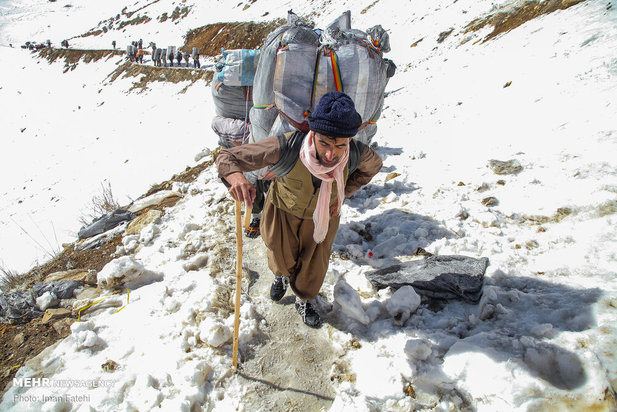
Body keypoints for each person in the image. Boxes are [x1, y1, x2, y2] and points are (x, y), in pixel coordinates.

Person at [216, 91, 382, 327]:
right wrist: (236, 178)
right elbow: (227, 157)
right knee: (280, 255)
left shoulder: (356, 153)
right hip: (283, 210)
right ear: (312, 133)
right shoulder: (287, 146)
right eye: (323, 142)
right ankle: (281, 276)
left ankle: (304, 299)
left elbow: (374, 166)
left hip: (324, 216)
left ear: (349, 140)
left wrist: (344, 191)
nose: (330, 154)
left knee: (314, 266)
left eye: (339, 145)